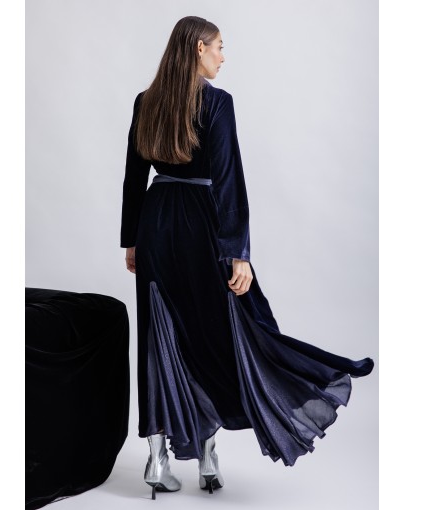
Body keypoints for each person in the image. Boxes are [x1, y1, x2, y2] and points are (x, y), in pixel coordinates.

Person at [120, 16, 374, 500]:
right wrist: (238, 254)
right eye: (218, 46)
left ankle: (157, 456)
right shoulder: (217, 102)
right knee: (213, 336)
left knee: (158, 335)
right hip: (202, 226)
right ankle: (208, 457)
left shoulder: (145, 101)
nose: (223, 55)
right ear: (198, 48)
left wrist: (133, 239)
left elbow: (135, 176)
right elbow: (228, 179)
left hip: (156, 224)